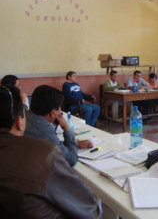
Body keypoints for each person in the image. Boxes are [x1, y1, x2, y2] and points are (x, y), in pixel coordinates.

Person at [0, 85, 101, 218]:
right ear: (19, 122)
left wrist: (73, 143)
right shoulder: (46, 152)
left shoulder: (30, 122)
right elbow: (91, 210)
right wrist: (66, 128)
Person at [25, 85, 93, 167]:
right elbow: (71, 160)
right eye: (60, 108)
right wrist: (67, 128)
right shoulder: (44, 129)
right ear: (53, 113)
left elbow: (50, 143)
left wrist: (75, 143)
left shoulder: (26, 115)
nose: (61, 112)